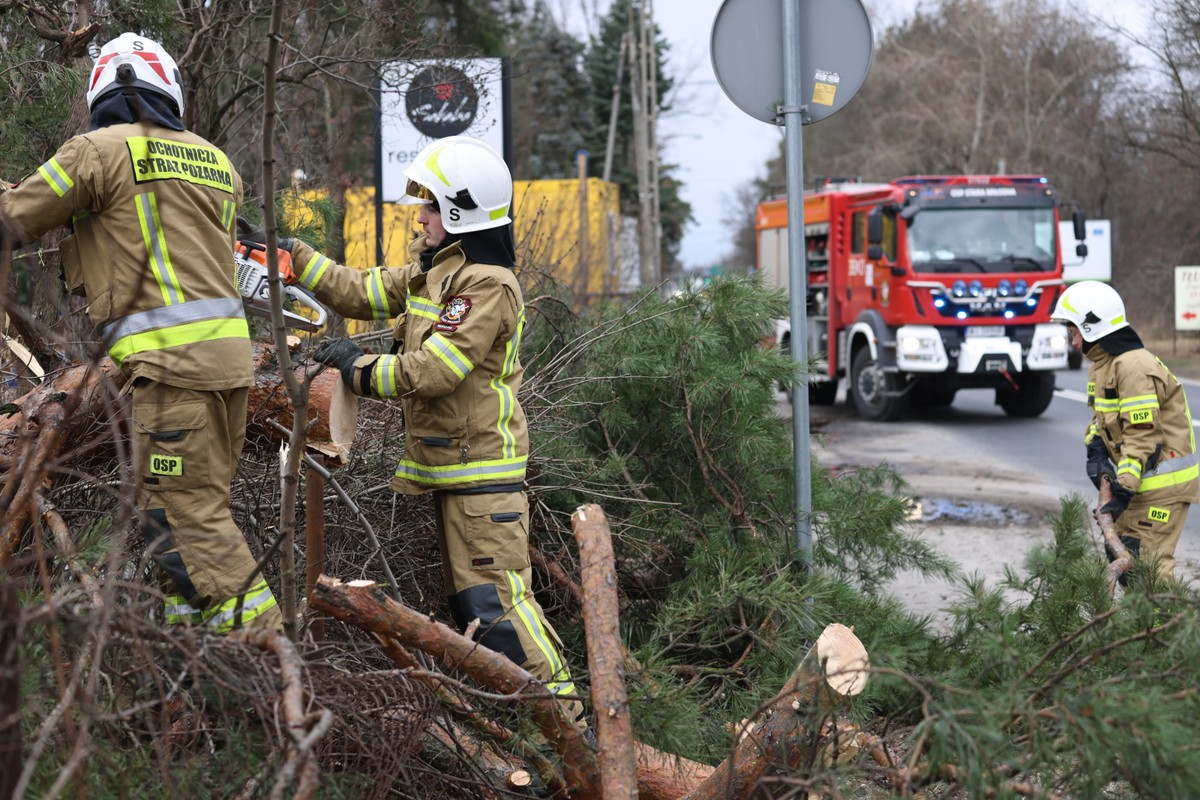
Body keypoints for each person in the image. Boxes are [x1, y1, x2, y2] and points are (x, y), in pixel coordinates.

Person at [269, 136, 586, 731]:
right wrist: (291, 255)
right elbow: (361, 290)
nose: (420, 217)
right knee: (475, 613)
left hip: (480, 475)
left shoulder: (485, 283)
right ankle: (530, 732)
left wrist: (354, 370)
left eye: (431, 207)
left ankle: (572, 734)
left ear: (462, 214)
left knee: (499, 611)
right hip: (455, 470)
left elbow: (437, 372)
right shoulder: (435, 270)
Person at [0, 33, 281, 632]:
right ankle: (201, 677)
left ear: (101, 91)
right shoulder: (215, 162)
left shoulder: (94, 152)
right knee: (170, 521)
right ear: (169, 90)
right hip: (230, 371)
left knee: (188, 525)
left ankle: (279, 675)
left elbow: (13, 220)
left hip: (174, 374)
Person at [1051, 280, 1199, 581]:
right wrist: (1095, 450)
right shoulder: (1103, 366)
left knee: (1147, 566)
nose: (1073, 343)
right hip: (1140, 483)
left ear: (1092, 328)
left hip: (1160, 487)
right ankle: (1142, 626)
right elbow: (1102, 420)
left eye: (1075, 332)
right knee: (1124, 558)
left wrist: (1123, 488)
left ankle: (1165, 627)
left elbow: (1143, 435)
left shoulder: (1133, 367)